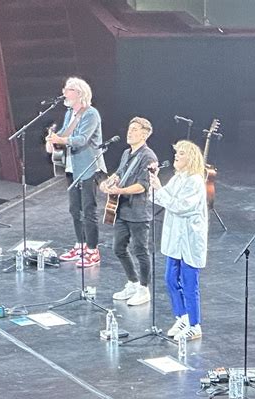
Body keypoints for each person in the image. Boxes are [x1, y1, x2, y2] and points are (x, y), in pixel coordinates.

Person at [149, 140, 208, 340]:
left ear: (191, 158)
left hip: (189, 240)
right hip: (175, 239)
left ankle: (195, 324)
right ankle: (182, 316)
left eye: (181, 153)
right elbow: (161, 199)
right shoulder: (177, 178)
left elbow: (182, 206)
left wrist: (160, 189)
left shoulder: (195, 181)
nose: (176, 156)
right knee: (170, 278)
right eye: (176, 152)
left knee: (189, 282)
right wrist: (154, 186)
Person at [46, 76, 106, 268]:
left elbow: (81, 139)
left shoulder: (91, 114)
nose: (64, 92)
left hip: (88, 166)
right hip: (72, 166)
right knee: (74, 209)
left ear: (79, 93)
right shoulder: (69, 113)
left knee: (88, 209)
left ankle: (92, 250)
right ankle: (80, 246)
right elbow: (65, 133)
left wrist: (61, 140)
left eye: (68, 89)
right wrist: (53, 139)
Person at [100, 117, 158, 306]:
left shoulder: (148, 157)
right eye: (129, 128)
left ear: (145, 133)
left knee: (141, 250)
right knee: (118, 248)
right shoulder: (127, 153)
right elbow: (120, 173)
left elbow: (143, 186)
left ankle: (144, 288)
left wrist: (120, 191)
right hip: (122, 209)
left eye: (134, 129)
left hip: (138, 211)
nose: (129, 132)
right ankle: (132, 282)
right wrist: (109, 182)